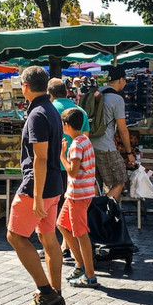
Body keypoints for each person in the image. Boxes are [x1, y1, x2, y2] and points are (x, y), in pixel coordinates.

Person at [6, 66, 65, 305]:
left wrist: (37, 196)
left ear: (26, 86)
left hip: (37, 185)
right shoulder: (49, 109)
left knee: (15, 236)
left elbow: (39, 158)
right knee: (48, 238)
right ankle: (55, 294)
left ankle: (46, 292)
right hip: (53, 183)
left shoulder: (37, 114)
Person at [48, 78, 90, 257]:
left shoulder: (49, 110)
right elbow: (86, 136)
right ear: (66, 92)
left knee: (55, 208)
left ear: (50, 94)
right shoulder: (80, 111)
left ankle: (60, 246)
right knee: (67, 210)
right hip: (79, 175)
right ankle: (67, 245)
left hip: (55, 166)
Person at [58, 108, 98, 288]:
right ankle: (80, 264)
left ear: (66, 125)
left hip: (78, 194)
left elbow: (73, 172)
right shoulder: (85, 140)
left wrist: (61, 156)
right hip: (80, 192)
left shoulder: (76, 144)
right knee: (62, 224)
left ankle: (89, 275)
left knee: (81, 234)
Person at [88, 66, 134, 201]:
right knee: (120, 180)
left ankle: (93, 214)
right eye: (124, 80)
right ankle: (105, 212)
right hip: (105, 147)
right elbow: (122, 129)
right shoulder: (117, 99)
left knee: (95, 183)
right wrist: (129, 152)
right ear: (121, 80)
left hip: (89, 146)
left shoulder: (95, 94)